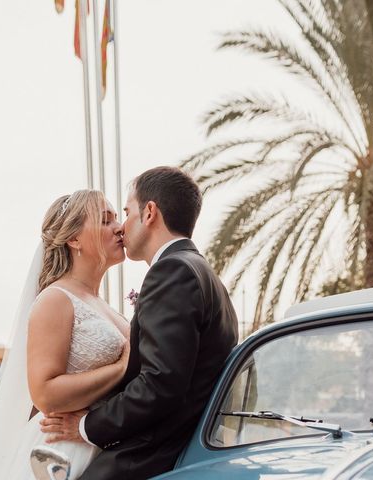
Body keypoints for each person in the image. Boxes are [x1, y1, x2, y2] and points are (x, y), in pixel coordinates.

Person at [41, 166, 240, 479]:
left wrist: (83, 425)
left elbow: (160, 383)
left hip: (150, 457)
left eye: (124, 212)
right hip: (176, 451)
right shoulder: (201, 272)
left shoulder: (172, 271)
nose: (121, 226)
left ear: (150, 213)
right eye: (109, 219)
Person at [0, 189, 130, 480]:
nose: (119, 227)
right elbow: (45, 394)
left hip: (103, 445)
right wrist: (121, 368)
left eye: (117, 218)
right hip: (63, 454)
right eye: (105, 220)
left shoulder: (105, 307)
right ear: (74, 239)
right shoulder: (55, 300)